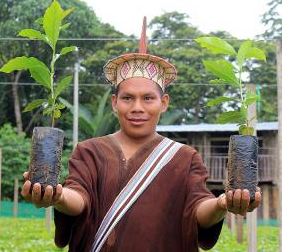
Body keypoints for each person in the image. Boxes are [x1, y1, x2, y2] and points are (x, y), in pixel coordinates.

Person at [21, 17, 261, 252]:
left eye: (148, 98)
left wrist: (221, 204)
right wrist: (57, 197)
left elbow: (198, 209)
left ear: (164, 103)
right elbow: (80, 198)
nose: (137, 107)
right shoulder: (90, 151)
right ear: (114, 103)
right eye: (127, 98)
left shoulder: (184, 157)